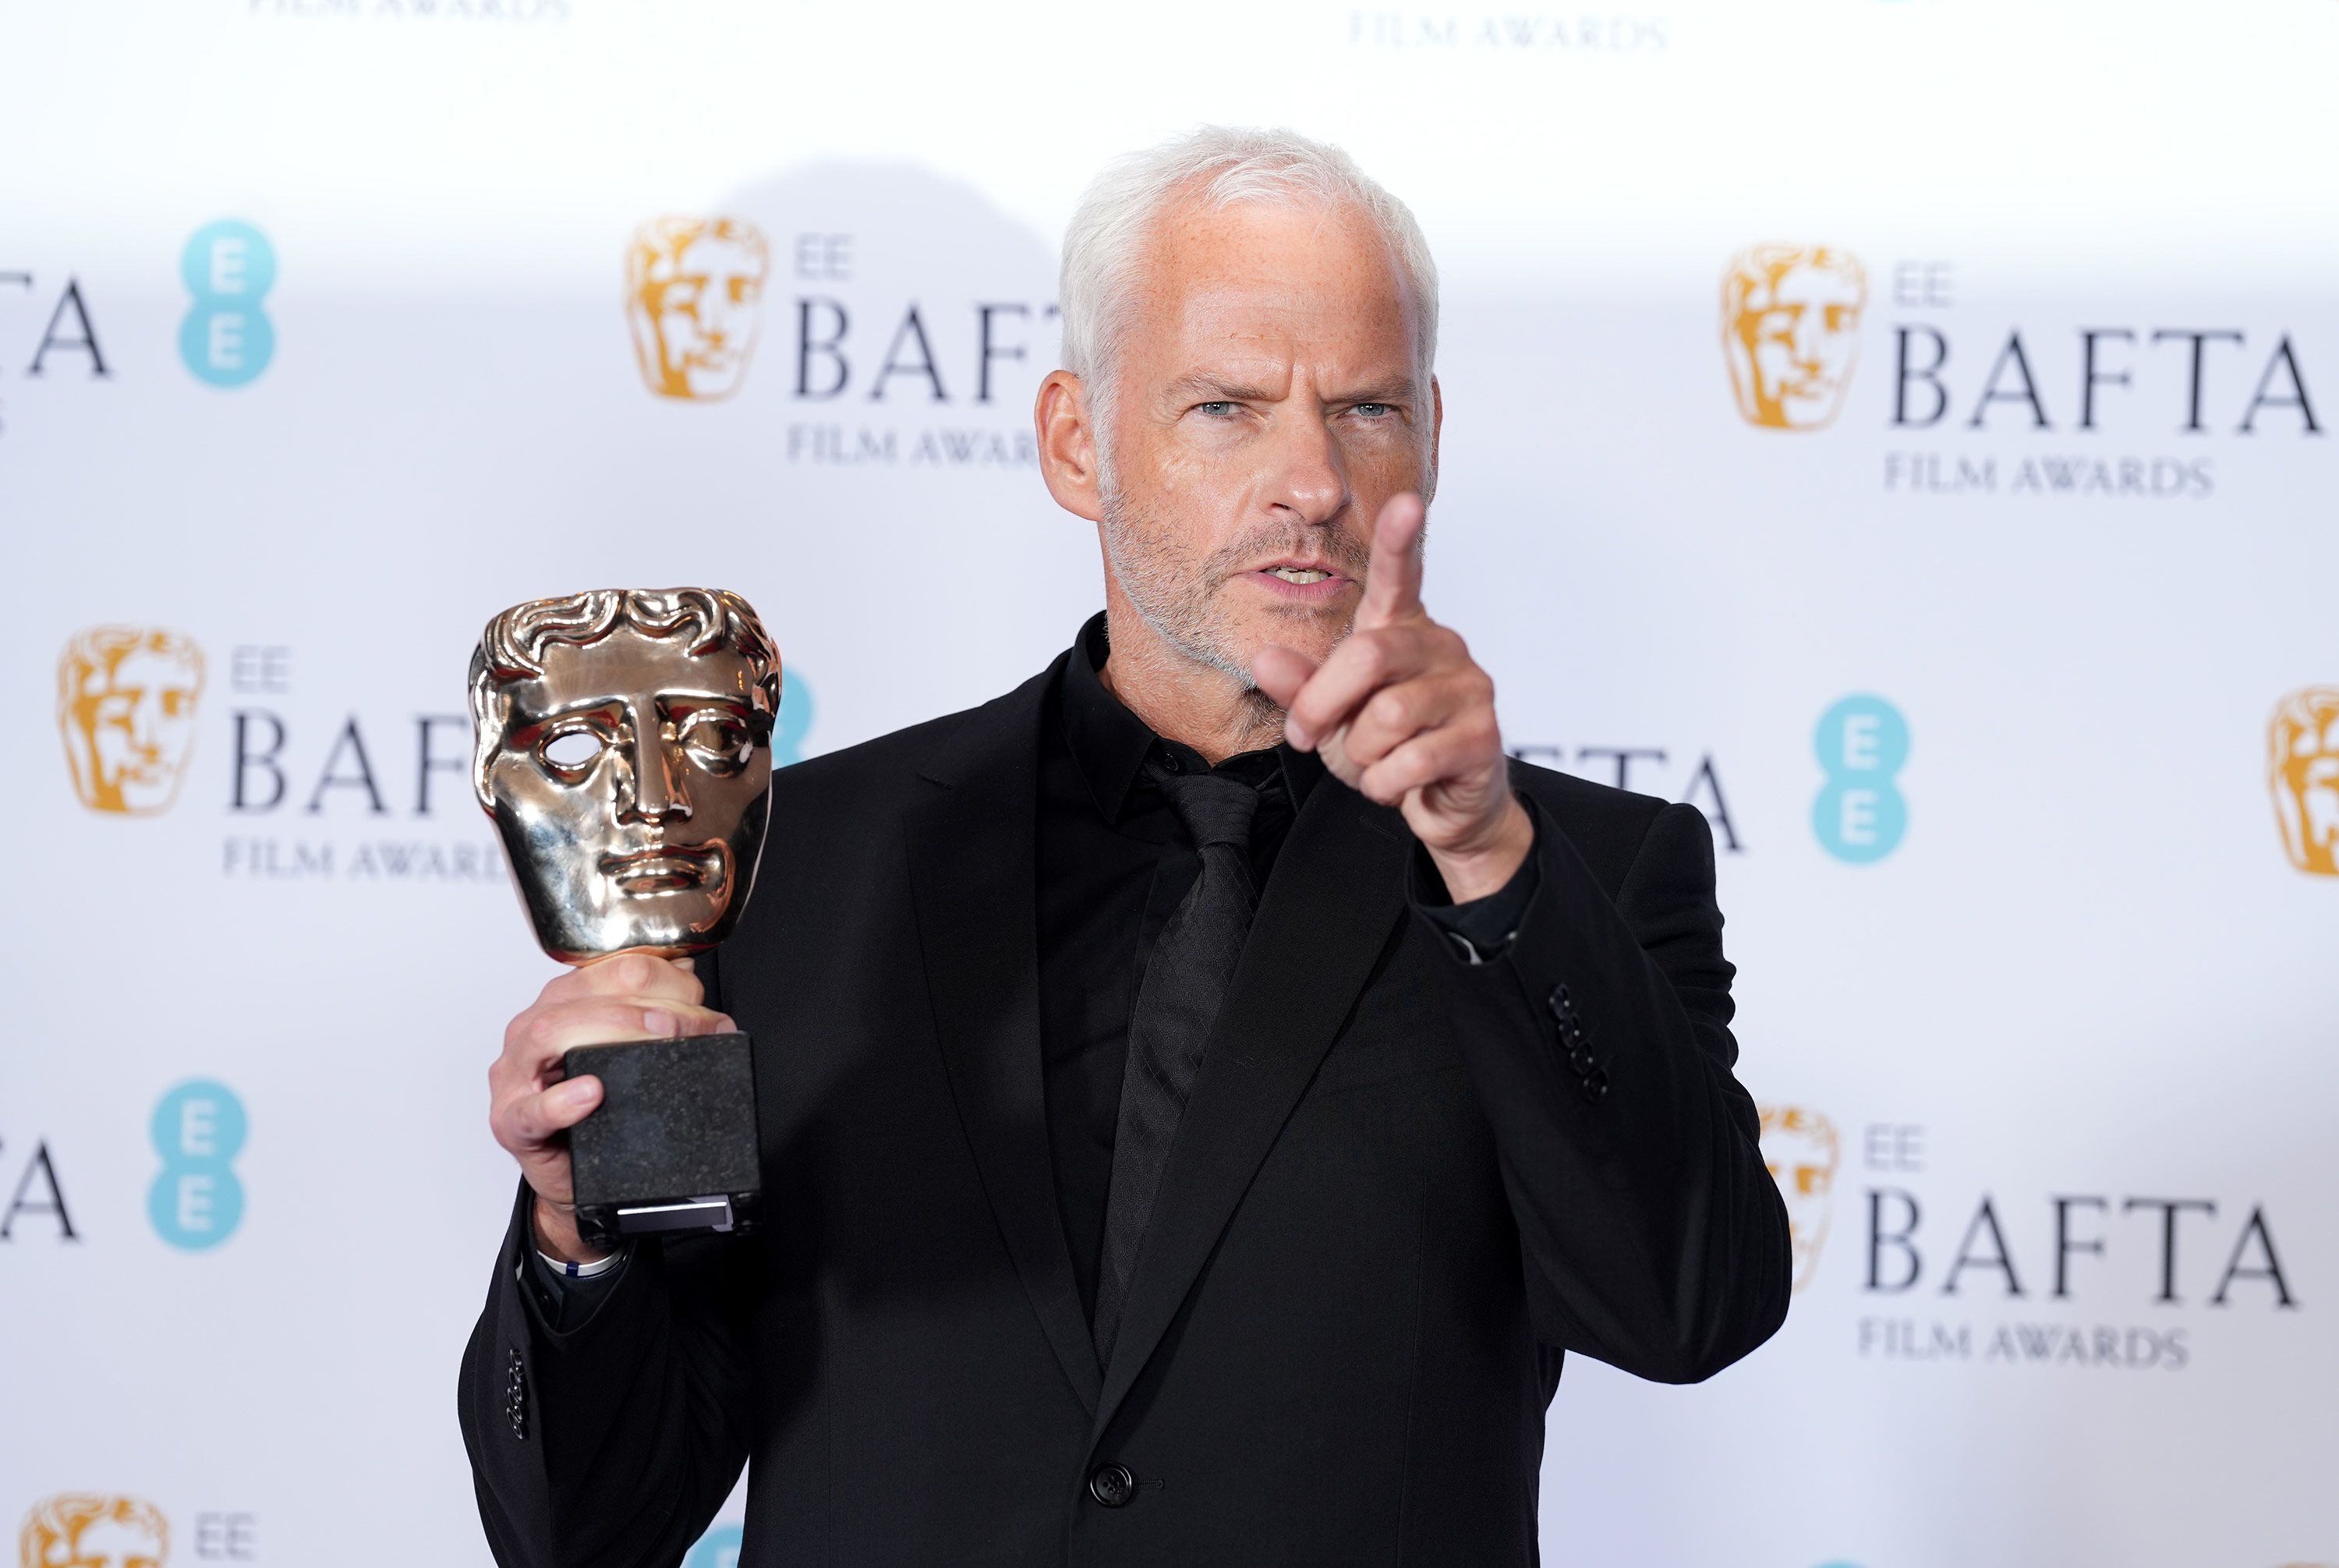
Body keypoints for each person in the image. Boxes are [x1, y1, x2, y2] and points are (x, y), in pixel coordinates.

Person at [462, 125, 1789, 1566]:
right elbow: (587, 1527)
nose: (1313, 481)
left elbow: (1690, 1312)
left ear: (1431, 438)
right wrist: (572, 1228)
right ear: (1076, 442)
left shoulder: (1578, 876)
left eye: (1364, 409)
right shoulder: (799, 866)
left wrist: (1490, 866)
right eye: (1225, 408)